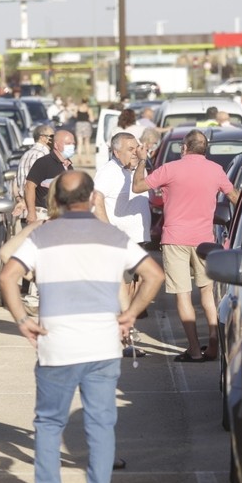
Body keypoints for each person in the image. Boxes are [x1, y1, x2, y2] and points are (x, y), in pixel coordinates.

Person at [0, 170, 164, 483]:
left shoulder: (43, 236)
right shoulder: (113, 237)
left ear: (56, 200)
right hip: (103, 344)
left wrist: (21, 318)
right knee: (101, 425)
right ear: (92, 199)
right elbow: (154, 275)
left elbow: (7, 275)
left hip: (57, 344)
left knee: (49, 423)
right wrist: (131, 314)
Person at [132, 129, 238, 362]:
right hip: (205, 241)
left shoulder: (171, 168)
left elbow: (138, 186)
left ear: (184, 147)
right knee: (208, 294)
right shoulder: (216, 170)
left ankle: (193, 350)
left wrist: (141, 160)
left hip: (175, 239)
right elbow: (235, 198)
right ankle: (213, 345)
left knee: (183, 295)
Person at [94, 132, 153, 354]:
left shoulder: (135, 170)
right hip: (121, 240)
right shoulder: (109, 172)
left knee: (133, 287)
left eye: (137, 147)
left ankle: (124, 331)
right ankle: (121, 337)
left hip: (138, 239)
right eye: (131, 149)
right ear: (116, 152)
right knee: (122, 288)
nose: (136, 152)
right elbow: (96, 198)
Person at [25, 129, 75, 223]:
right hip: (44, 215)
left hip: (60, 216)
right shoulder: (44, 162)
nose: (72, 146)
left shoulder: (68, 166)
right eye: (68, 144)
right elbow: (29, 186)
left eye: (73, 143)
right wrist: (31, 213)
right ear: (56, 145)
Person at [12, 124, 54, 226]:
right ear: (43, 138)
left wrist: (20, 200)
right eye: (52, 136)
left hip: (25, 212)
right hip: (39, 213)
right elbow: (33, 185)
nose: (54, 139)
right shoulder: (44, 155)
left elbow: (15, 183)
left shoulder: (25, 155)